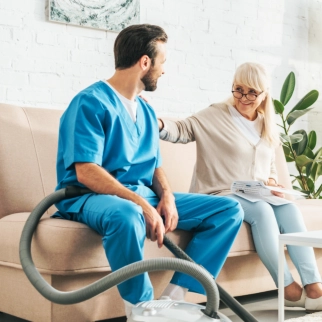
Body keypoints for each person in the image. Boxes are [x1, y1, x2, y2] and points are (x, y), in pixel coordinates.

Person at [53, 23, 244, 319]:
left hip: (140, 195)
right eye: (162, 62)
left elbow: (155, 165)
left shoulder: (147, 111)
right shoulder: (89, 102)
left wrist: (166, 195)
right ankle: (140, 311)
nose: (164, 70)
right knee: (126, 214)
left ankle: (174, 298)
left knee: (228, 210)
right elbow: (86, 172)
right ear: (145, 63)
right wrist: (141, 204)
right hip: (87, 196)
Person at [158, 62, 322, 312]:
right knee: (262, 212)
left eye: (252, 92)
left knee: (290, 210)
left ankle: (313, 287)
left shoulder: (267, 123)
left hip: (257, 194)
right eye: (238, 89)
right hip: (220, 194)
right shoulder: (216, 114)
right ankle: (286, 286)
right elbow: (183, 128)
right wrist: (158, 124)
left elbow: (269, 169)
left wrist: (272, 184)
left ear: (264, 94)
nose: (244, 98)